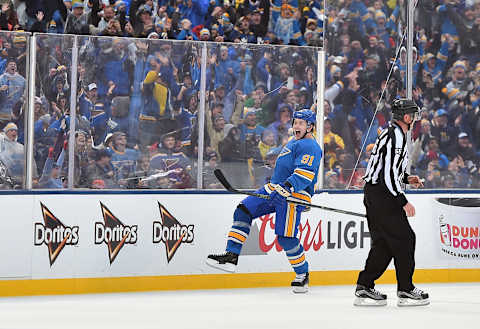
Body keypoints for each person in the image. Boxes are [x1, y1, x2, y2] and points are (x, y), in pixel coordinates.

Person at [206, 109, 322, 293]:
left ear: (310, 127)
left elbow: (304, 174)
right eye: (295, 122)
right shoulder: (294, 142)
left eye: (301, 123)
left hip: (294, 193)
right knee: (243, 210)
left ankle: (302, 274)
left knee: (285, 238)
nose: (296, 126)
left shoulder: (311, 146)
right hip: (275, 187)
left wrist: (287, 188)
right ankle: (231, 255)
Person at [355, 98, 429, 307]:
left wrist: (406, 178)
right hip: (382, 195)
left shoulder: (392, 133)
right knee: (405, 238)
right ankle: (405, 289)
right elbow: (387, 175)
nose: (415, 119)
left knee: (385, 243)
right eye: (413, 115)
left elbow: (389, 170)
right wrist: (402, 201)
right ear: (406, 117)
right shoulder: (395, 136)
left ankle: (365, 285)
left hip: (376, 193)